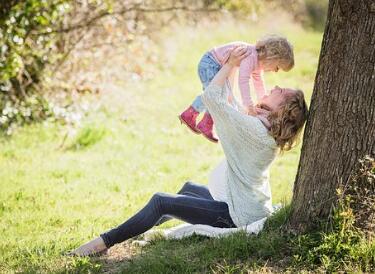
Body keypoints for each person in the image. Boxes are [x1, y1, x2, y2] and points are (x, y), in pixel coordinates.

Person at [69, 47, 308, 256]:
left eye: (282, 91)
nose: (275, 86)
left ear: (283, 109)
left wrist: (230, 64)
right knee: (187, 189)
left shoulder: (254, 130)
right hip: (248, 205)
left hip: (238, 215)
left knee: (161, 201)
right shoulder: (263, 128)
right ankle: (134, 229)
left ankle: (103, 243)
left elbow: (212, 98)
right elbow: (233, 106)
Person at [179, 35, 294, 142]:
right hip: (210, 64)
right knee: (214, 94)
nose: (275, 71)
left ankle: (206, 123)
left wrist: (262, 101)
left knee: (221, 96)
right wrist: (249, 106)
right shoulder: (250, 56)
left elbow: (258, 83)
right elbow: (243, 81)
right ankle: (190, 113)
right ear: (273, 57)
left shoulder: (258, 62)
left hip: (217, 66)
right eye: (278, 67)